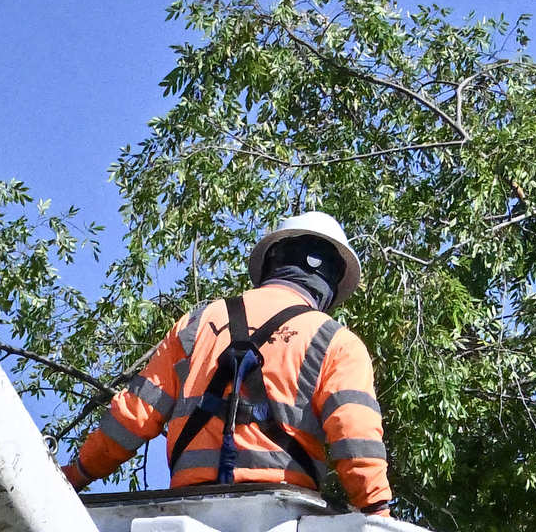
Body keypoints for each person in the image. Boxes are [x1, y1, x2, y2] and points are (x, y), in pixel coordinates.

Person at [63, 213, 390, 516]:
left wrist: (75, 476)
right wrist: (377, 514)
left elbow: (133, 416)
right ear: (332, 285)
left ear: (270, 264)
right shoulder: (337, 342)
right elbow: (356, 440)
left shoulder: (198, 323)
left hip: (188, 510)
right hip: (280, 520)